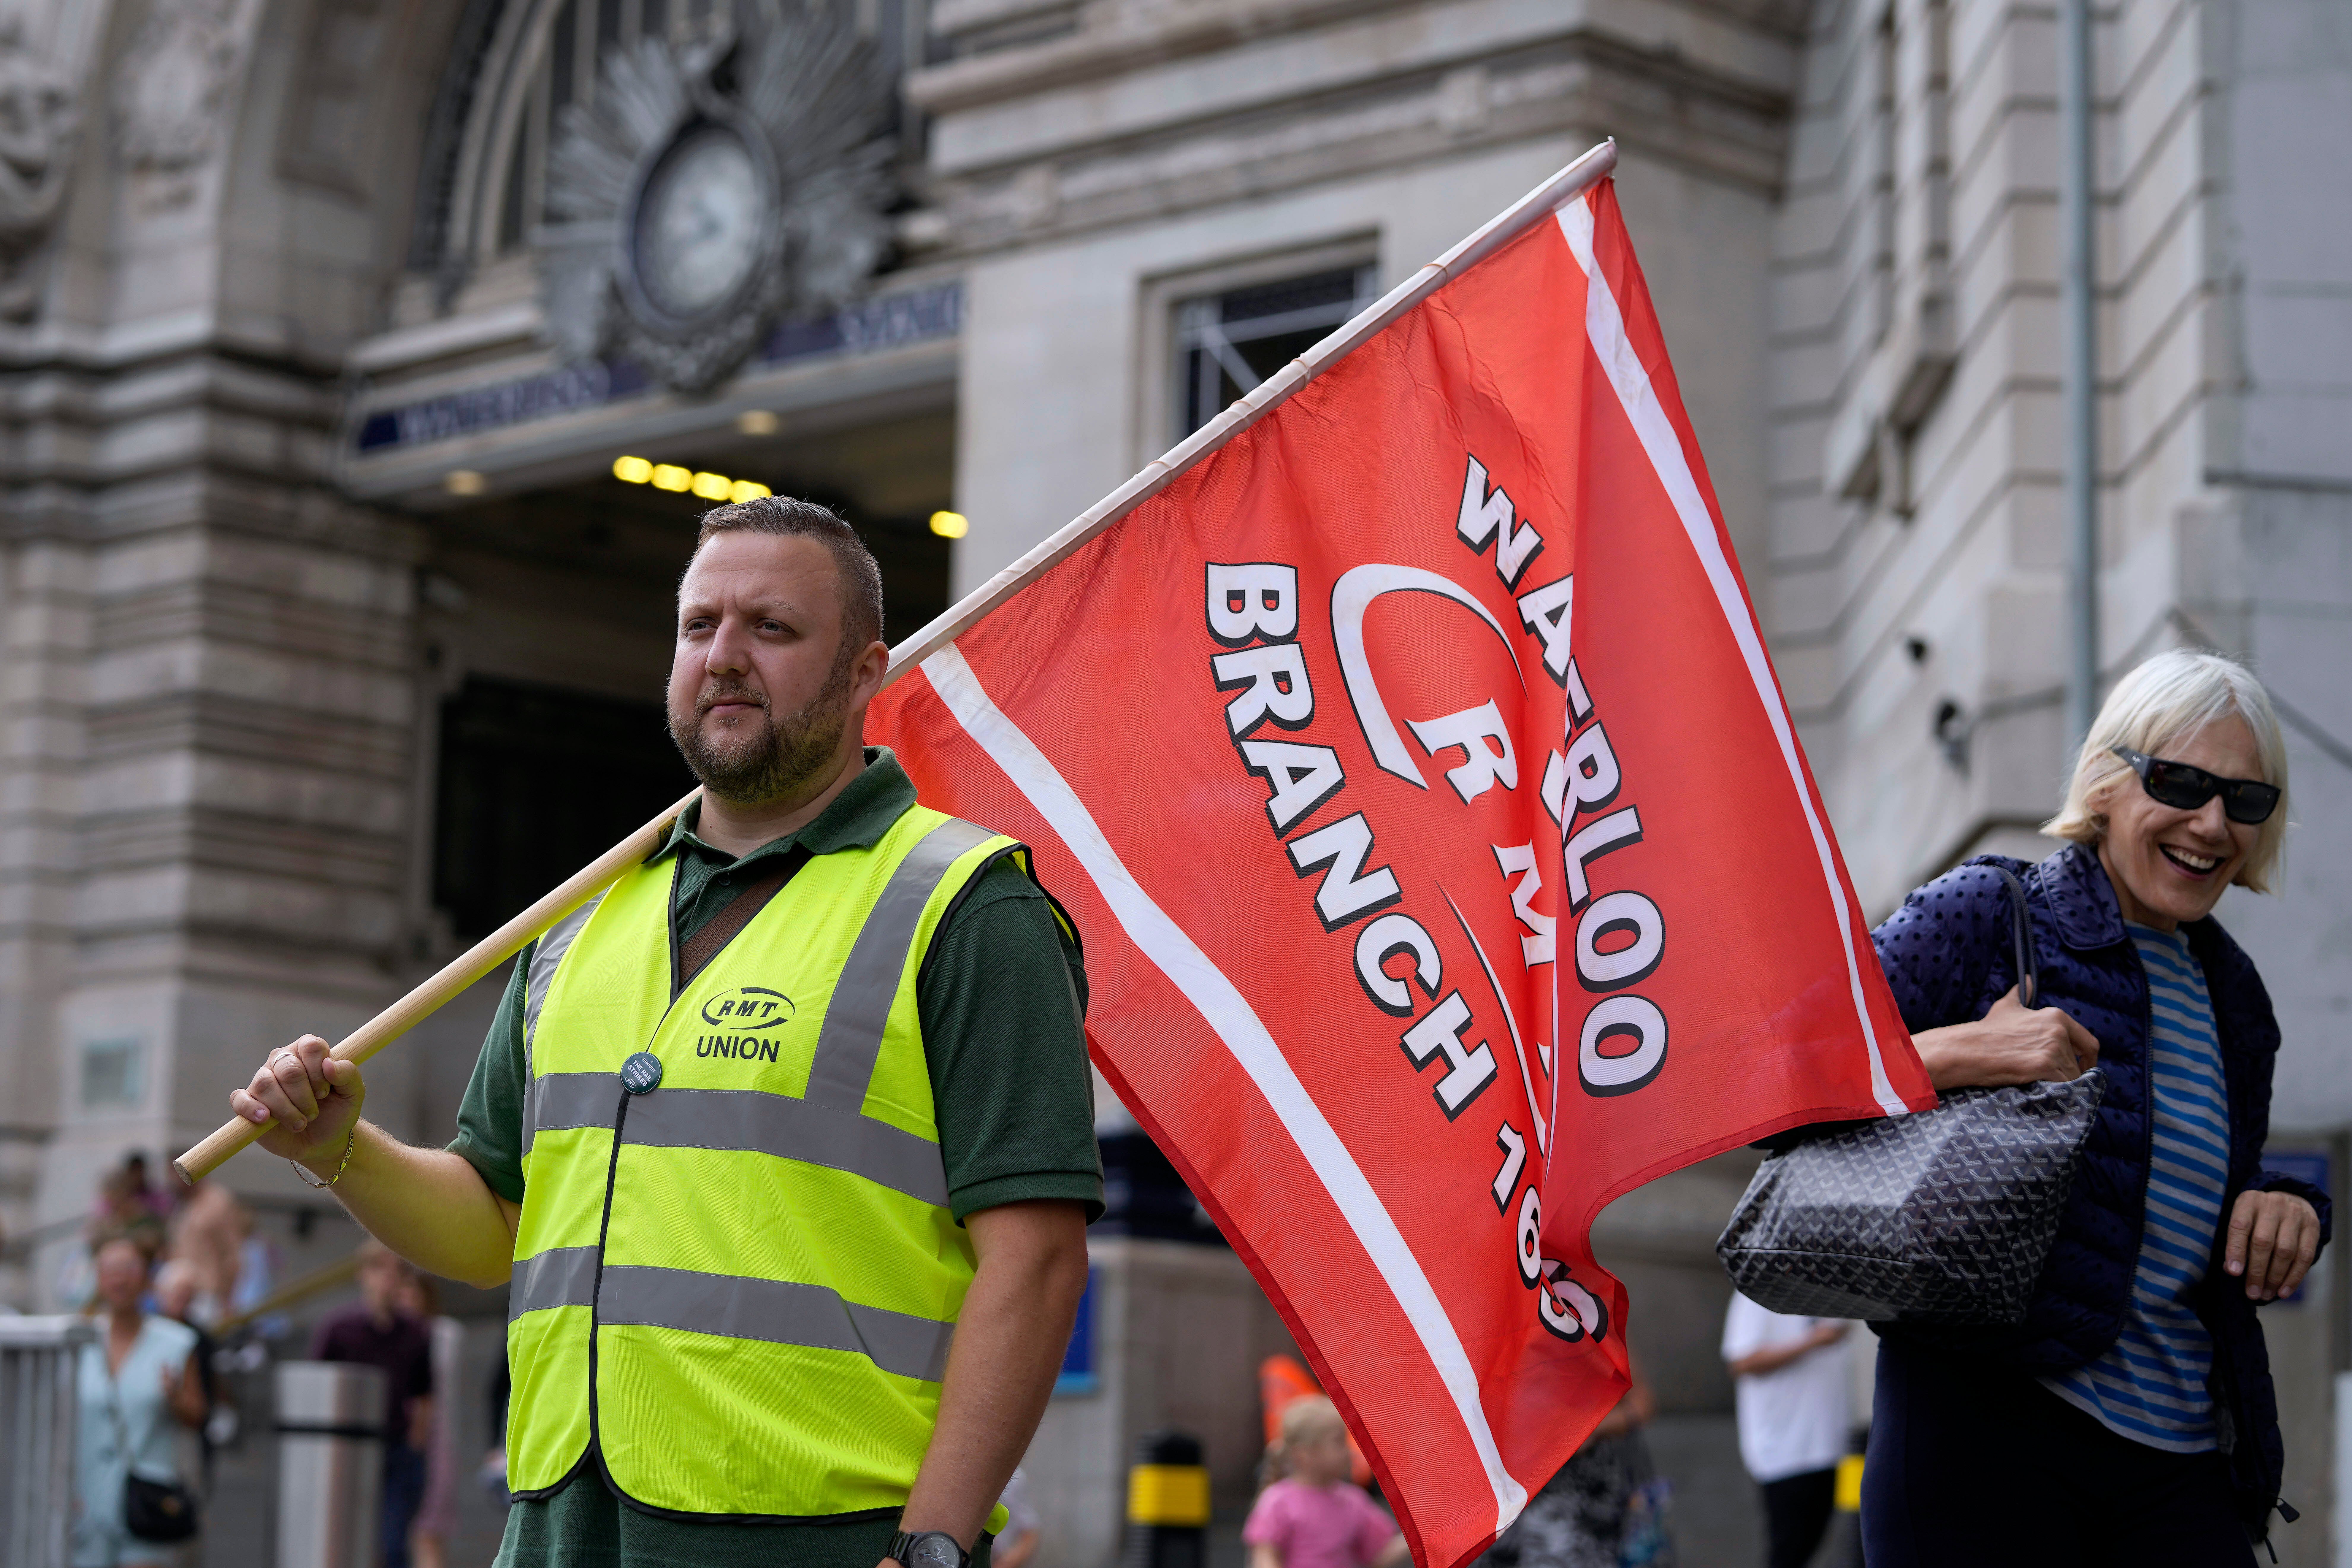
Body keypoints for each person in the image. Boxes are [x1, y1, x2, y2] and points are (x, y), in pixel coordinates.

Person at [228, 495, 1101, 1568]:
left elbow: (1037, 1259)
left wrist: (934, 1546)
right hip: (557, 1533)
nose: (724, 656)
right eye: (700, 626)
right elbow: (495, 1225)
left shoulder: (968, 906)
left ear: (864, 673)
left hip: (821, 1540)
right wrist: (341, 1151)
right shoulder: (576, 920)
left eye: (771, 628)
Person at [1859, 649, 2329, 1565]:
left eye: (2243, 799)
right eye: (2179, 783)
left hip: (2181, 1457)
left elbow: (2203, 1183)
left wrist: (2286, 1202)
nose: (2210, 823)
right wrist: (1956, 1053)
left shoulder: (2236, 997)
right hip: (1984, 1434)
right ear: (2108, 782)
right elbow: (1780, 1079)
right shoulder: (1987, 912)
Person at [73, 1236, 207, 1568]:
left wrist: (175, 1397)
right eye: (111, 1270)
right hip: (85, 1501)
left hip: (146, 1500)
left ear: (148, 1278)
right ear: (98, 1278)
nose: (120, 1279)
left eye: (130, 1269)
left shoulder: (177, 1342)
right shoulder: (78, 1340)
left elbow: (198, 1416)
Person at [1479, 1358, 1675, 1568]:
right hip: (1521, 1485)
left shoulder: (1594, 1338)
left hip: (1588, 1487)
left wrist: (1588, 1429)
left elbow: (1643, 1404)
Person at [312, 1240, 436, 1568]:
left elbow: (424, 1393)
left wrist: (416, 1442)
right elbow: (316, 1386)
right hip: (346, 1449)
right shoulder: (338, 1328)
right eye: (380, 1270)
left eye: (396, 1272)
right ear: (363, 1275)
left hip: (395, 1446)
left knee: (393, 1544)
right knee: (343, 1537)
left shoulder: (415, 1331)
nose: (387, 1280)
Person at [1720, 1292, 1849, 1568]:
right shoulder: (1755, 1290)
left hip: (1828, 1445)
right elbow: (1741, 1360)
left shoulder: (1827, 1286)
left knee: (1808, 1544)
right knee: (1789, 1550)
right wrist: (1813, 1341)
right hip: (1784, 1450)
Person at [1244, 1396, 1406, 1568]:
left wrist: (1420, 1534)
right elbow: (1265, 1558)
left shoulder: (1353, 1501)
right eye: (1339, 1442)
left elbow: (1377, 1556)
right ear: (1305, 1454)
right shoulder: (1279, 1502)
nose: (1348, 1451)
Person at [394, 1271, 465, 1568]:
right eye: (402, 1294)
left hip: (437, 1441)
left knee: (429, 1531)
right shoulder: (389, 1335)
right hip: (398, 1437)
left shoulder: (442, 1333)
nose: (407, 1301)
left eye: (413, 1294)